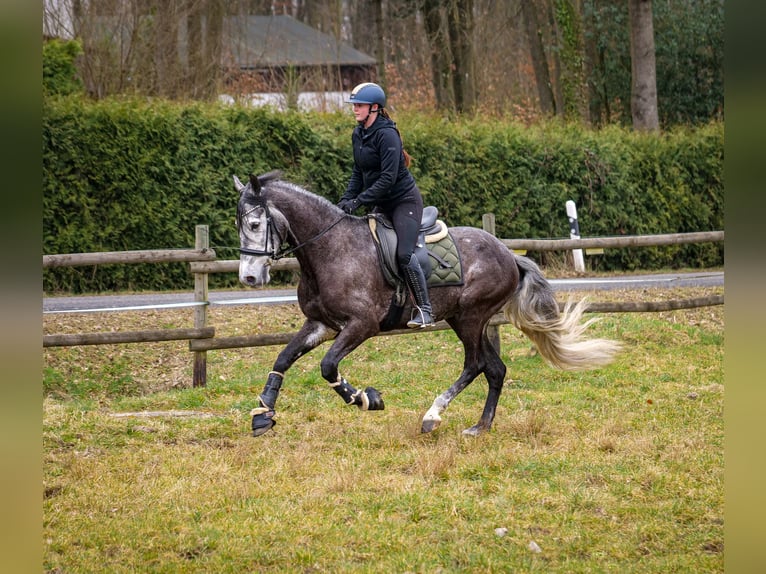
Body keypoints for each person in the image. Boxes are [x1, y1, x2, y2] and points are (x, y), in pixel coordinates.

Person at [337, 82, 435, 328]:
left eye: (359, 105)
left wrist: (360, 201)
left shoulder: (386, 134)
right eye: (354, 105)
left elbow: (388, 179)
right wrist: (345, 200)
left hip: (403, 201)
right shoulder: (358, 133)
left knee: (403, 253)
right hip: (380, 203)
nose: (355, 109)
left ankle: (425, 309)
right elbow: (358, 173)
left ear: (374, 108)